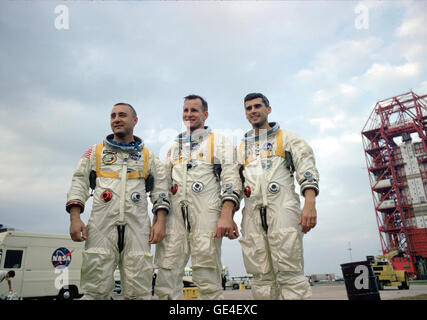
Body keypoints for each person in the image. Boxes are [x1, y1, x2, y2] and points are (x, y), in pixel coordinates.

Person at [66, 102, 170, 300]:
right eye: (113, 116)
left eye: (122, 115)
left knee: (139, 290)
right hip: (101, 226)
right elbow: (79, 182)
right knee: (95, 289)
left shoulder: (148, 156)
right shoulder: (95, 152)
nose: (116, 119)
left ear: (135, 120)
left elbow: (161, 189)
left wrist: (161, 221)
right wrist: (75, 217)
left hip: (137, 228)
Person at [154, 95, 241, 300]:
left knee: (207, 273)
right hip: (175, 216)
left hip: (206, 214)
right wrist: (159, 219)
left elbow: (231, 179)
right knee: (166, 272)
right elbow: (162, 184)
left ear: (205, 114)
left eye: (194, 110)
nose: (189, 114)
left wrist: (226, 214)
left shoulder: (218, 142)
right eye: (185, 110)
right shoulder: (174, 147)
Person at [236, 93, 319, 300]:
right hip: (253, 214)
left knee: (290, 272)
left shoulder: (288, 138)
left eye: (257, 106)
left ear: (268, 109)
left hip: (282, 208)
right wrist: (227, 215)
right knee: (261, 277)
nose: (253, 111)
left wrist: (309, 204)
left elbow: (306, 170)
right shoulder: (241, 149)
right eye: (248, 108)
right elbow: (234, 185)